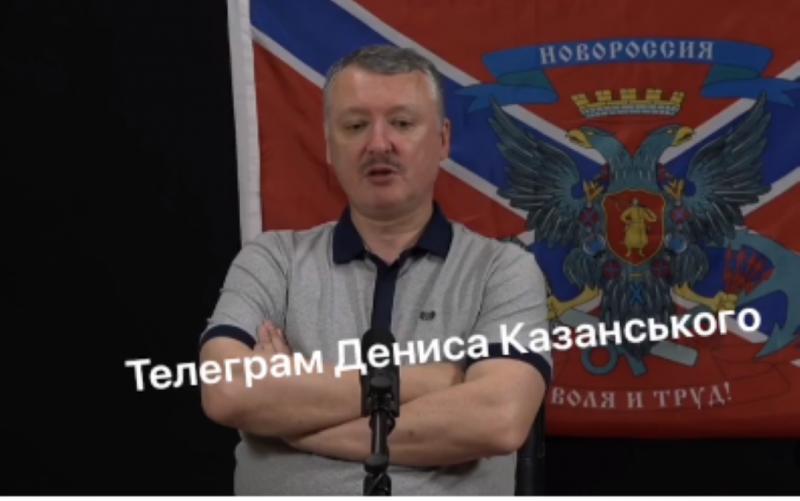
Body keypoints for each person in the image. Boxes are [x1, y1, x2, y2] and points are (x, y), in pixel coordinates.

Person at [199, 45, 551, 495]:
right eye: (355, 125)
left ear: (443, 140)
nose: (379, 144)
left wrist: (297, 419)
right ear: (330, 145)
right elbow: (226, 388)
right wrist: (436, 379)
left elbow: (497, 420)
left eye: (402, 123)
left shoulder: (503, 271)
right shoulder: (272, 260)